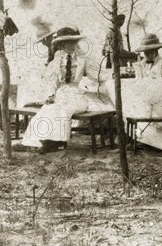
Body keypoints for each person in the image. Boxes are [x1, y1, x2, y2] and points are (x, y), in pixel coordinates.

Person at [21, 26, 110, 154]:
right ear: (62, 44)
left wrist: (109, 76)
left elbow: (96, 74)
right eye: (67, 42)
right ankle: (39, 142)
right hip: (61, 94)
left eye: (73, 42)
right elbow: (53, 81)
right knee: (47, 109)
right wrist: (51, 95)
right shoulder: (57, 60)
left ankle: (54, 143)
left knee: (64, 110)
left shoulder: (83, 59)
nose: (71, 45)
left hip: (77, 95)